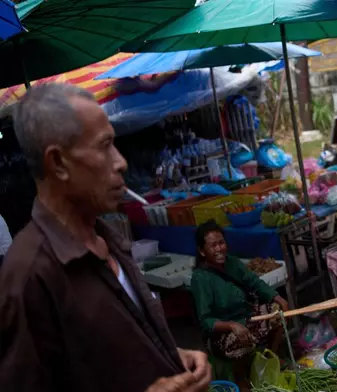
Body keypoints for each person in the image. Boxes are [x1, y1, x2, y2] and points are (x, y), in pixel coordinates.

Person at [0, 84, 211, 392]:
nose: (121, 162)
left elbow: (110, 355)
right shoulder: (29, 275)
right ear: (58, 163)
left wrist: (172, 356)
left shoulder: (106, 239)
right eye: (105, 146)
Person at [191, 220, 288, 392]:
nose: (219, 248)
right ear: (202, 251)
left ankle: (270, 356)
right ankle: (240, 376)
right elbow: (205, 321)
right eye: (213, 245)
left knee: (276, 313)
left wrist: (276, 297)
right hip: (220, 333)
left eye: (221, 243)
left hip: (244, 317)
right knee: (240, 339)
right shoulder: (200, 278)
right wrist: (231, 325)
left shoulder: (232, 263)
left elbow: (254, 282)